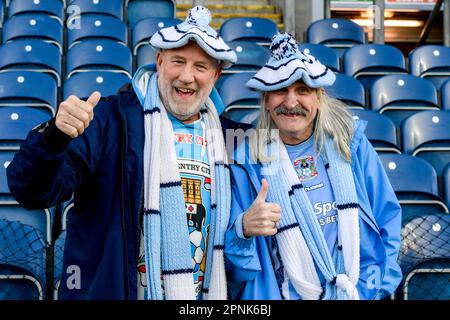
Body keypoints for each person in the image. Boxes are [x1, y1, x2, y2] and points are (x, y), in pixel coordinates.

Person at [7, 6, 240, 300]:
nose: (186, 76)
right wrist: (52, 138)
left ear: (216, 75)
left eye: (201, 67)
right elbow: (33, 192)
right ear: (159, 61)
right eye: (177, 61)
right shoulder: (107, 119)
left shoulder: (231, 137)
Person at [224, 33, 402, 300]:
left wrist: (373, 292)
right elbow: (235, 268)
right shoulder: (246, 161)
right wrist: (243, 229)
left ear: (319, 99)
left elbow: (386, 219)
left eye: (303, 90)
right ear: (266, 102)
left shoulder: (350, 144)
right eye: (280, 90)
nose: (291, 102)